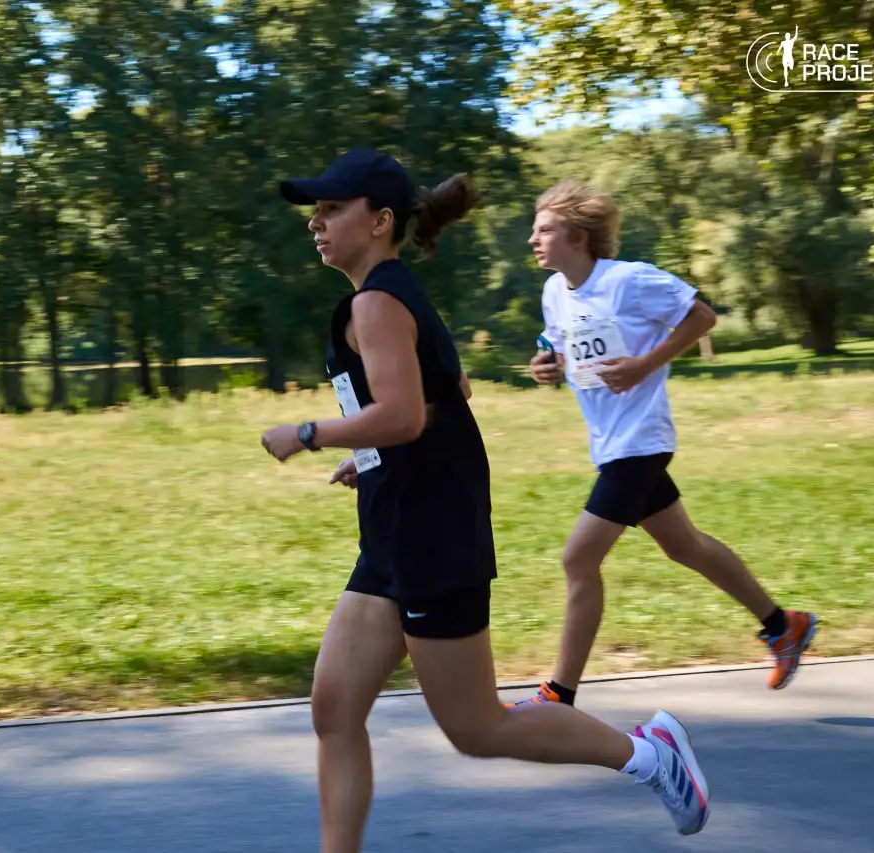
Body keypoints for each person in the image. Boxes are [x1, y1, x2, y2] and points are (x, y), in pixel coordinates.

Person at [260, 149, 709, 853]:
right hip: (395, 526)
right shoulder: (387, 292)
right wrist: (366, 451)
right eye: (314, 209)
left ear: (379, 222)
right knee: (334, 708)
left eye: (330, 208)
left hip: (433, 532)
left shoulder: (378, 300)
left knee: (479, 728)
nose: (315, 222)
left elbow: (406, 413)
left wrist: (310, 432)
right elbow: (449, 394)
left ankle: (649, 753)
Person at [518, 178, 818, 710]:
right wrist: (549, 366)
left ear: (579, 237)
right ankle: (783, 626)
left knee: (577, 559)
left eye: (545, 229)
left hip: (641, 441)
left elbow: (702, 316)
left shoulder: (630, 280)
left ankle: (557, 694)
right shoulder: (554, 292)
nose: (533, 240)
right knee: (684, 546)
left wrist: (643, 365)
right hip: (611, 443)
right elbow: (564, 352)